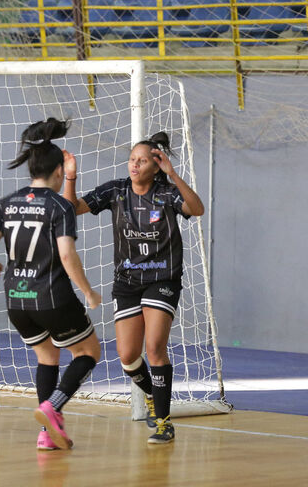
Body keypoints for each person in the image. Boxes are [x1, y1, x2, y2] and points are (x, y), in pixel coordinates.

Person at [63, 131, 204, 445]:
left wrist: (174, 174)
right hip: (128, 283)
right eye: (132, 159)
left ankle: (164, 423)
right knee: (127, 356)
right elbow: (72, 207)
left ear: (155, 166)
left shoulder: (167, 193)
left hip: (161, 279)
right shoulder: (116, 191)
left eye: (142, 161)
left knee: (154, 348)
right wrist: (70, 175)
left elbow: (197, 209)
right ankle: (155, 396)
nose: (135, 165)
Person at [0, 118, 102, 451]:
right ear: (59, 171)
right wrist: (88, 291)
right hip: (52, 296)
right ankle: (53, 406)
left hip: (17, 298)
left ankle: (47, 434)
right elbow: (66, 254)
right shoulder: (60, 206)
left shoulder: (4, 204)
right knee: (89, 351)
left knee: (47, 357)